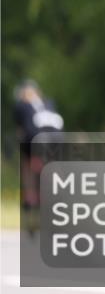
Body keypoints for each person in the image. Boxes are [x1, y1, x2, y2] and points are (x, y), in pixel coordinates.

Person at [12, 79, 64, 220]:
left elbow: (21, 129)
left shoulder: (22, 106)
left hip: (36, 140)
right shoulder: (49, 103)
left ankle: (31, 198)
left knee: (28, 166)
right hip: (56, 140)